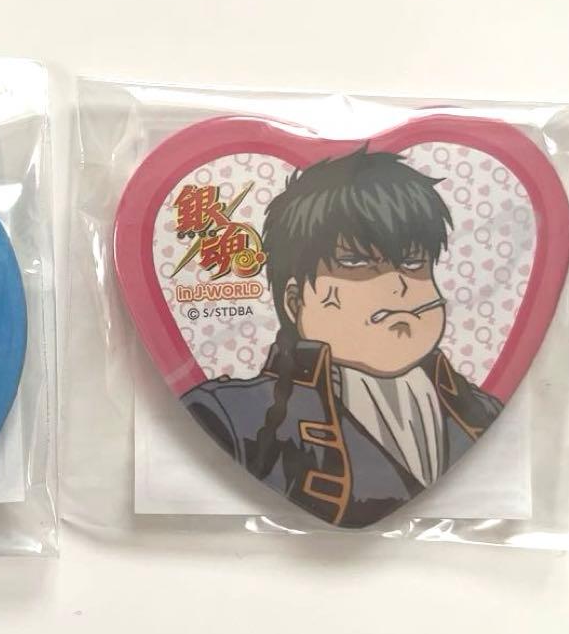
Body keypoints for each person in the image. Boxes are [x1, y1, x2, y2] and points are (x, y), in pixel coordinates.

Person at [182, 148, 501, 528]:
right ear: (295, 301)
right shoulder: (233, 415)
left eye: (414, 263)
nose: (398, 285)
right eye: (356, 264)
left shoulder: (481, 410)